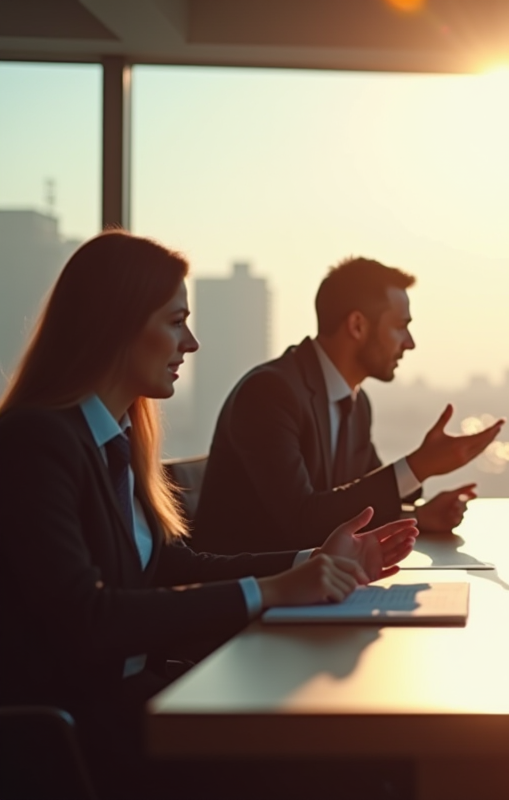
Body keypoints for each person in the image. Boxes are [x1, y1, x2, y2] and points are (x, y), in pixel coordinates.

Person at [0, 231, 419, 798]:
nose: (191, 343)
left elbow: (174, 565)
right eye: (176, 322)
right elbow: (86, 619)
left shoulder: (117, 441)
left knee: (370, 751)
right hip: (83, 735)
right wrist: (272, 591)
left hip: (144, 700)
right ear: (117, 325)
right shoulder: (37, 443)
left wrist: (313, 562)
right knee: (360, 765)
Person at [193, 256, 504, 555]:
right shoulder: (269, 393)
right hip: (249, 596)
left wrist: (418, 515)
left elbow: (354, 503)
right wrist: (418, 466)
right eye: (400, 326)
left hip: (312, 588)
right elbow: (300, 521)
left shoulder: (355, 403)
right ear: (357, 326)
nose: (409, 343)